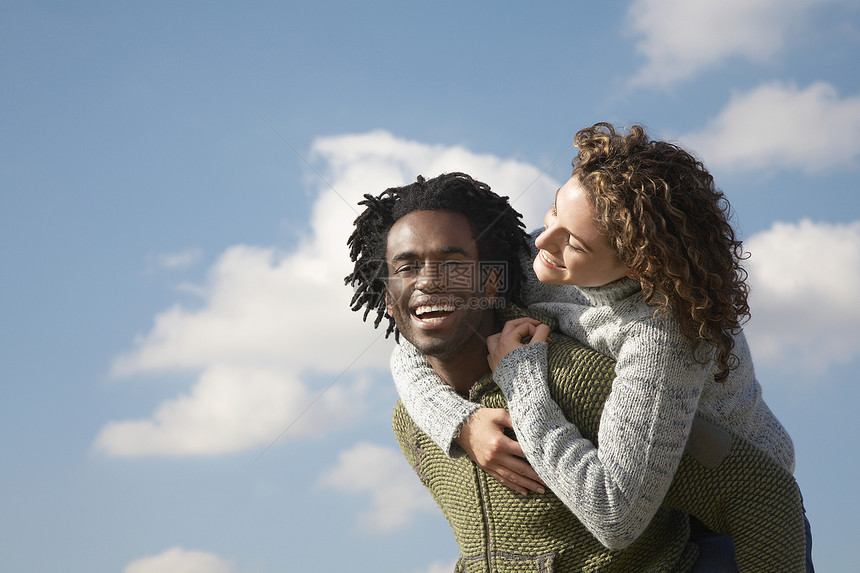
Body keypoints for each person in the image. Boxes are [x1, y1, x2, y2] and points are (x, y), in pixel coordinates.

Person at [346, 171, 807, 572]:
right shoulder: (531, 265)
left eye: (576, 241)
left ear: (633, 260)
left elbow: (626, 515)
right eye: (551, 217)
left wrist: (524, 383)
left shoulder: (654, 336)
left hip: (734, 491)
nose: (544, 242)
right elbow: (417, 337)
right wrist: (459, 422)